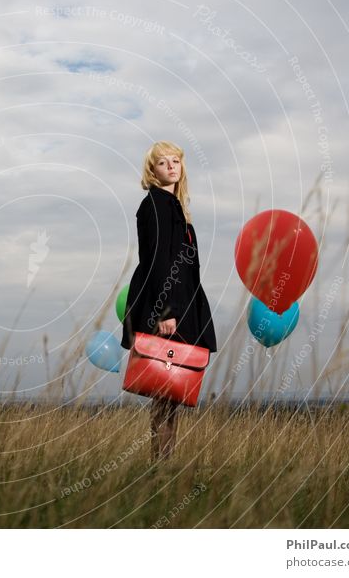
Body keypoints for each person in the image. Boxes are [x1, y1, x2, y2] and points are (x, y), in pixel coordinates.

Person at [120, 141, 217, 461]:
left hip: (181, 302)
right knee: (163, 390)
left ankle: (164, 462)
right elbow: (160, 261)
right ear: (152, 171)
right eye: (163, 163)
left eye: (176, 161)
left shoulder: (174, 206)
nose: (171, 166)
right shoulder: (156, 204)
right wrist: (165, 311)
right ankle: (161, 464)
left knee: (172, 390)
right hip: (166, 306)